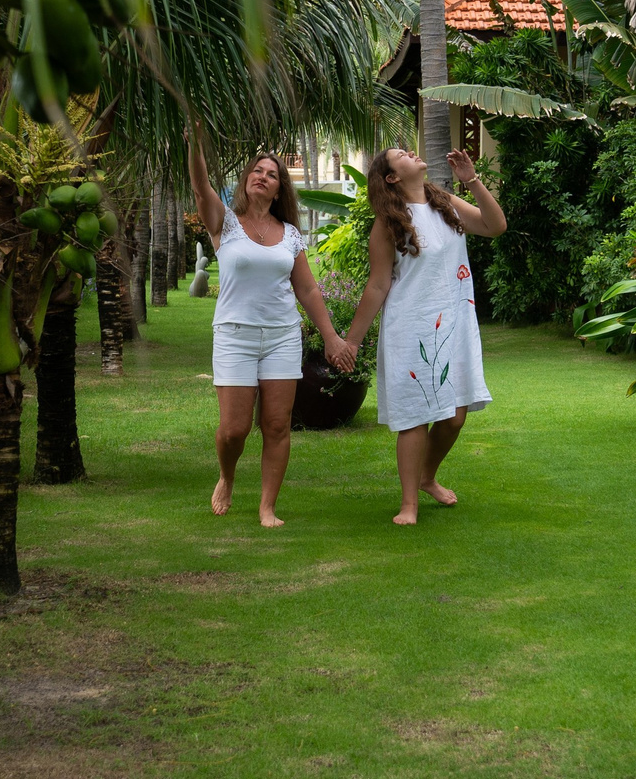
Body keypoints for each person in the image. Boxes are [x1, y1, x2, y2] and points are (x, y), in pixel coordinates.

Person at [187, 128, 353, 528]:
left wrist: (331, 336)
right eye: (256, 171)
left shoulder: (291, 235)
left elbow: (308, 289)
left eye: (271, 173)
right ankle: (227, 476)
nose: (262, 176)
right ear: (247, 181)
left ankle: (267, 508)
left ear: (279, 189)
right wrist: (196, 145)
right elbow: (200, 187)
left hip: (281, 336)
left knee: (277, 425)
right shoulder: (224, 223)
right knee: (233, 430)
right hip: (235, 336)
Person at [339, 146, 507, 525]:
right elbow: (378, 285)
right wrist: (351, 341)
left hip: (455, 323)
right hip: (411, 326)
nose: (411, 152)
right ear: (391, 178)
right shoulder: (388, 224)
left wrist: (473, 181)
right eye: (401, 154)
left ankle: (427, 477)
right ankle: (408, 504)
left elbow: (495, 227)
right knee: (415, 418)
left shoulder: (444, 202)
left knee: (454, 418)